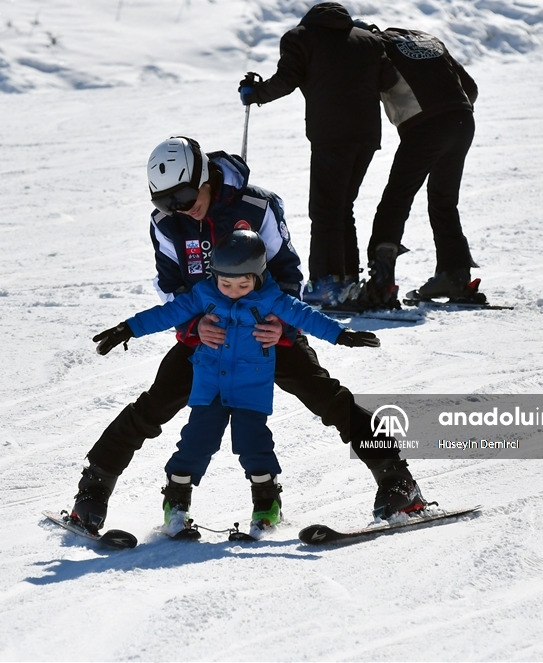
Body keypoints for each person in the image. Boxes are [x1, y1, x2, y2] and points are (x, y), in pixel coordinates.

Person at [70, 136, 426, 533]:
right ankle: (92, 490)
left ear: (204, 176)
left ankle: (398, 482)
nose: (181, 208)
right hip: (209, 339)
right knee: (152, 407)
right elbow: (170, 286)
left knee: (329, 399)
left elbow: (288, 272)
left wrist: (282, 326)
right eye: (166, 201)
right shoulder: (166, 223)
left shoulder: (258, 206)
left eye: (186, 195)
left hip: (265, 333)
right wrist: (193, 326)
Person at [91, 230, 380, 536]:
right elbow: (166, 314)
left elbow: (305, 316)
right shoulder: (204, 295)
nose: (233, 291)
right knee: (196, 443)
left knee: (254, 444)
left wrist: (341, 335)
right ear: (214, 275)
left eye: (244, 284)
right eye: (226, 283)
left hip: (250, 388)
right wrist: (128, 329)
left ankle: (267, 506)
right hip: (210, 387)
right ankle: (176, 507)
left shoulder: (271, 299)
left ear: (259, 276)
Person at [238, 2, 397, 307]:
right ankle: (347, 279)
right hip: (366, 136)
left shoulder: (300, 37)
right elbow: (387, 80)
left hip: (331, 135)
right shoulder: (369, 40)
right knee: (341, 206)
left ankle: (326, 283)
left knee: (325, 208)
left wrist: (254, 93)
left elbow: (287, 79)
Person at [353, 23, 482, 308]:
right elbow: (469, 87)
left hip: (425, 126)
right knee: (443, 201)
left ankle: (380, 284)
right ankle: (455, 276)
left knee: (396, 199)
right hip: (462, 119)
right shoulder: (426, 39)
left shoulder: (374, 48)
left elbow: (377, 83)